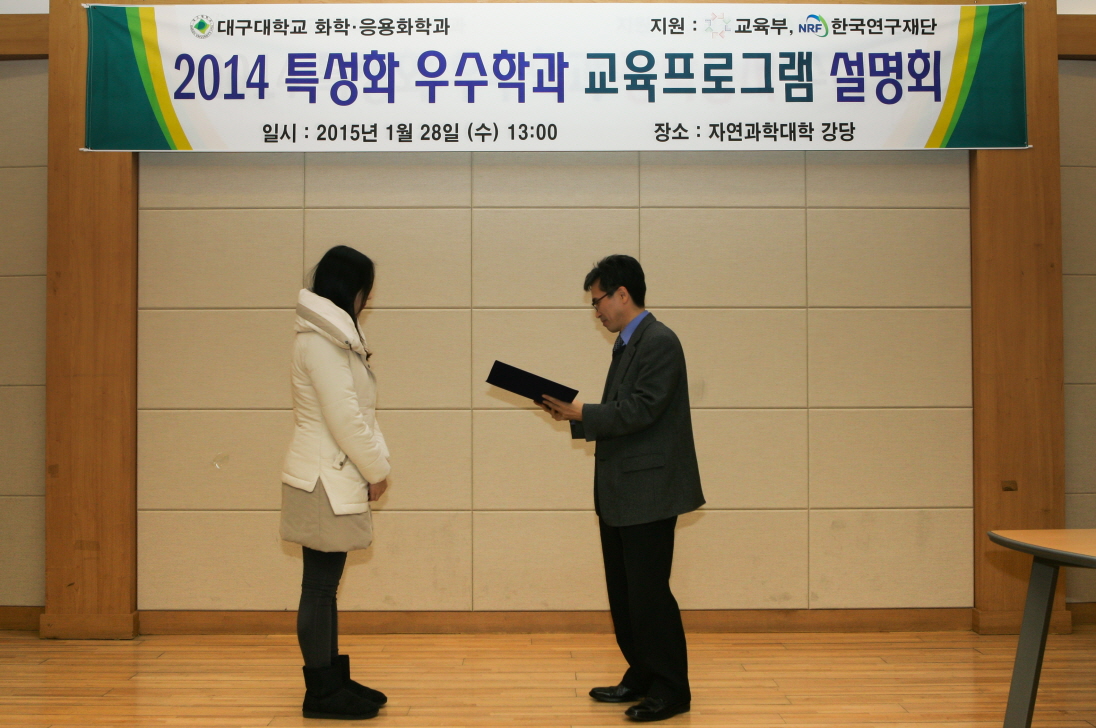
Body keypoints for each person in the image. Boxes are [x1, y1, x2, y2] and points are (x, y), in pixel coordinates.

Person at [540, 254, 705, 723]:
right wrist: (576, 415)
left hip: (648, 492)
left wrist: (583, 413)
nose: (596, 311)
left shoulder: (660, 341)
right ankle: (644, 674)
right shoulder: (629, 343)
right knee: (626, 593)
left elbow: (643, 409)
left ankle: (671, 689)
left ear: (623, 294)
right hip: (623, 491)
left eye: (598, 301)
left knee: (649, 594)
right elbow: (626, 412)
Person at [280, 245, 391, 721]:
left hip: (331, 472)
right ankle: (321, 693)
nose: (367, 300)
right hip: (322, 477)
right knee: (320, 587)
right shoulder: (321, 342)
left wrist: (376, 465)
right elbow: (345, 419)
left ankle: (332, 680)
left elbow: (359, 414)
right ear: (352, 289)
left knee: (326, 587)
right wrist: (378, 471)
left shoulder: (333, 338)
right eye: (367, 291)